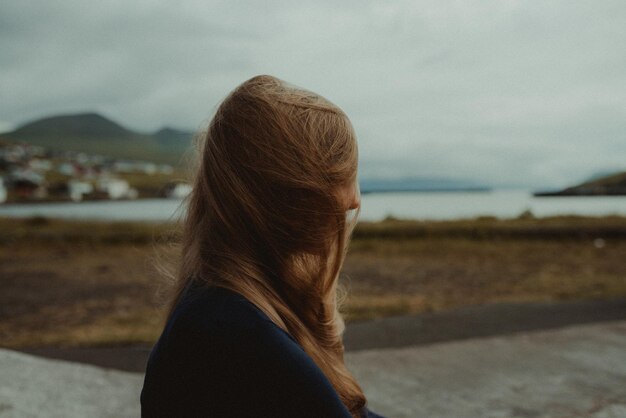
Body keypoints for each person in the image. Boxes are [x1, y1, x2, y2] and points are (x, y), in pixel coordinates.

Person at [140, 75, 386, 418]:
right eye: (339, 175)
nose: (354, 200)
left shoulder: (227, 312)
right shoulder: (234, 338)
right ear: (287, 189)